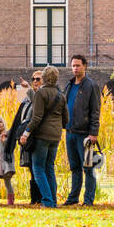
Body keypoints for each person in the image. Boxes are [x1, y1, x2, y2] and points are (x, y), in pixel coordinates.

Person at [18, 65, 66, 208]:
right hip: (56, 136)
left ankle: (47, 200)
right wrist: (56, 127)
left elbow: (36, 118)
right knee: (49, 168)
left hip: (42, 136)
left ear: (44, 78)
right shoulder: (61, 95)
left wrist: (26, 133)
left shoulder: (41, 93)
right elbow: (66, 119)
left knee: (38, 168)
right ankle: (53, 201)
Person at [62, 54, 101, 207]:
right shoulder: (70, 85)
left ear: (85, 66)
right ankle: (73, 198)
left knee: (88, 168)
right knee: (74, 167)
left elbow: (95, 111)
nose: (75, 68)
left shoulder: (91, 86)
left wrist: (93, 133)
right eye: (73, 66)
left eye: (78, 65)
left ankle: (88, 200)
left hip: (85, 134)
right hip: (70, 132)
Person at [5, 71, 43, 203]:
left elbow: (37, 106)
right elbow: (19, 116)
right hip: (24, 136)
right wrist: (10, 132)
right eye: (33, 79)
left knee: (36, 166)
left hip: (35, 136)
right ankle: (34, 199)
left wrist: (26, 89)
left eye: (38, 79)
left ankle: (40, 198)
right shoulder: (27, 97)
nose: (35, 81)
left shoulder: (42, 95)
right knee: (30, 167)